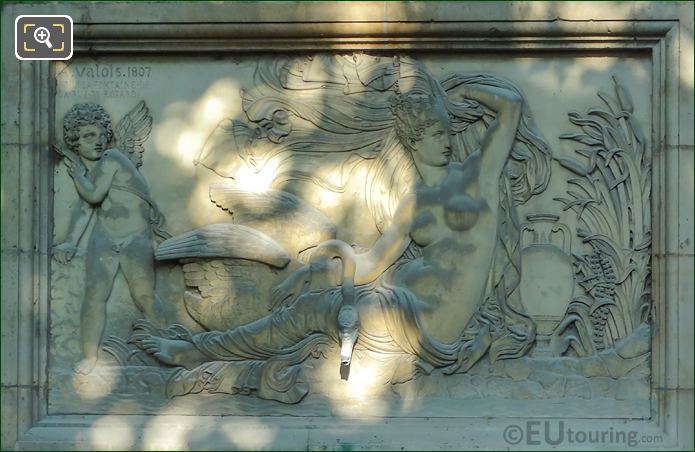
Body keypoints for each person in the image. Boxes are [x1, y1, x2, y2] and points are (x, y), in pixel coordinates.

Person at [133, 57, 550, 402]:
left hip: (430, 323)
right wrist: (315, 268)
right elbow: (369, 264)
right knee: (310, 320)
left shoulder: (478, 176)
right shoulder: (412, 205)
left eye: (445, 130)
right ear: (412, 139)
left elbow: (511, 105)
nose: (444, 140)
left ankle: (198, 351)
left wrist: (452, 96)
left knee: (311, 313)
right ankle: (211, 360)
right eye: (434, 132)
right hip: (399, 307)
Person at [54, 103, 168, 375]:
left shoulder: (114, 158)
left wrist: (78, 174)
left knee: (144, 296)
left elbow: (92, 195)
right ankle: (89, 358)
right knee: (94, 297)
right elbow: (86, 208)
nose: (97, 141)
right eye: (86, 136)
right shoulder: (91, 170)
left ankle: (168, 347)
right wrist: (70, 241)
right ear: (75, 142)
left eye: (99, 133)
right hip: (104, 236)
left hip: (135, 237)